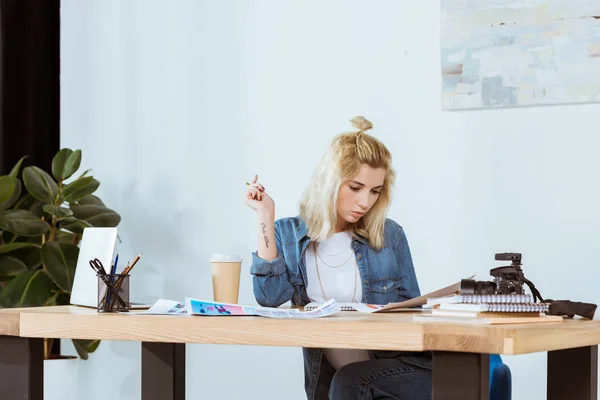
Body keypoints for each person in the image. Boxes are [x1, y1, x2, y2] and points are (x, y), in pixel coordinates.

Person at [245, 116, 432, 400]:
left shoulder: (389, 235)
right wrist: (265, 216)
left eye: (374, 192)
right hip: (336, 381)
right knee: (348, 381)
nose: (365, 202)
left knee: (351, 380)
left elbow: (413, 316)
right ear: (330, 181)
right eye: (355, 188)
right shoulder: (288, 234)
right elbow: (268, 297)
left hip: (399, 371)